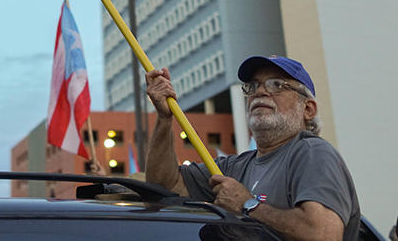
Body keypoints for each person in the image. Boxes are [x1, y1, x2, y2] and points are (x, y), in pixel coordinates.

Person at [145, 55, 360, 241]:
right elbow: (163, 185)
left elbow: (323, 235)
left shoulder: (312, 153)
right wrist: (164, 118)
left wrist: (248, 205)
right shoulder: (234, 166)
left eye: (276, 85)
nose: (259, 92)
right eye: (253, 86)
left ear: (308, 109)